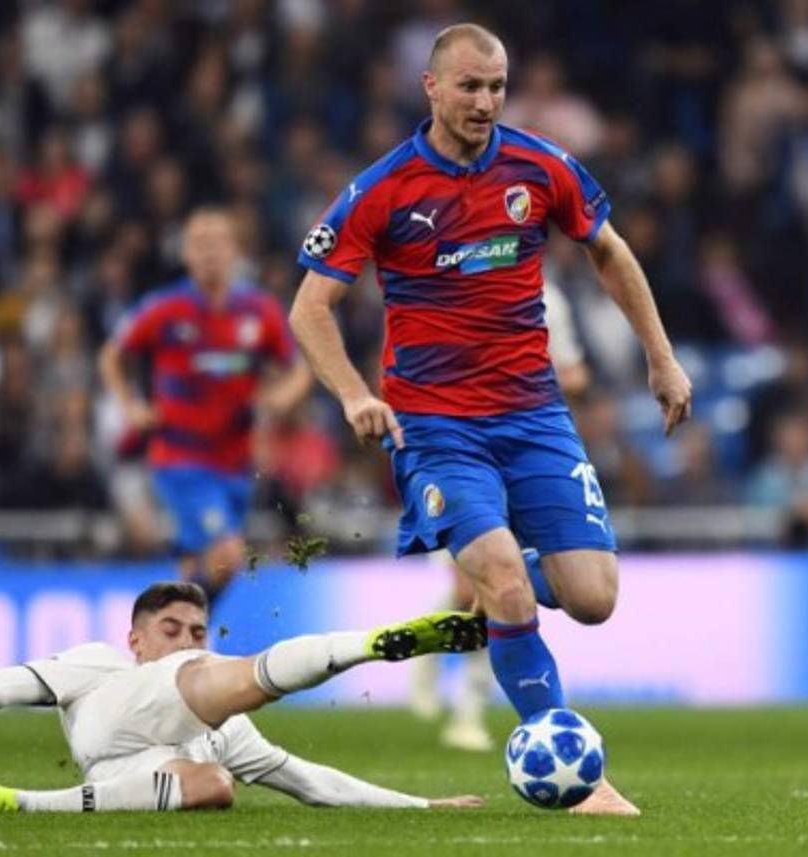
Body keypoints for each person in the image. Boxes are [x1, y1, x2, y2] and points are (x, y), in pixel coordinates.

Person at [289, 23, 691, 816]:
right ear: (431, 87)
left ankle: (489, 591)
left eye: (497, 86)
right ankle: (577, 775)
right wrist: (353, 393)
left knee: (593, 596)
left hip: (535, 414)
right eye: (469, 86)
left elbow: (609, 251)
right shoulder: (383, 187)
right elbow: (310, 307)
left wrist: (661, 356)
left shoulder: (540, 166)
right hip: (436, 428)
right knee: (506, 581)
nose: (484, 101)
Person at [0, 582, 484, 814]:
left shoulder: (225, 734)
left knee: (214, 785)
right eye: (170, 630)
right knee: (216, 678)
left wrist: (422, 804)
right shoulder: (97, 663)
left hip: (132, 774)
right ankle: (367, 645)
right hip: (122, 714)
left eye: (197, 630)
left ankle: (16, 803)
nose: (184, 640)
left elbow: (309, 781)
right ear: (136, 639)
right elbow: (1, 684)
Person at [409, 281, 588, 753]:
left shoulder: (550, 299)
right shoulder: (446, 282)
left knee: (500, 588)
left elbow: (574, 375)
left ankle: (467, 713)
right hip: (459, 454)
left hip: (525, 452)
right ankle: (425, 660)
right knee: (472, 589)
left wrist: (527, 380)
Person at [99, 208, 311, 601]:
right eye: (200, 243)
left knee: (197, 568)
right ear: (186, 253)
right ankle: (181, 628)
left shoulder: (259, 311)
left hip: (235, 462)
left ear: (235, 250)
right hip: (180, 459)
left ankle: (179, 629)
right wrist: (130, 406)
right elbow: (112, 355)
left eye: (218, 242)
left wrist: (282, 397)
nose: (210, 251)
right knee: (228, 554)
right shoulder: (164, 308)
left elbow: (299, 370)